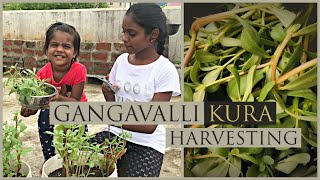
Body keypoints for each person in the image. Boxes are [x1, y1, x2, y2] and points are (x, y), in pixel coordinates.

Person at [91, 3, 181, 177]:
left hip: (146, 143)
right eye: (124, 32)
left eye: (132, 33)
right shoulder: (121, 61)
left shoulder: (164, 70)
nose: (125, 38)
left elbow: (149, 125)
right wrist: (109, 95)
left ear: (153, 35)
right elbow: (114, 106)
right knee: (74, 158)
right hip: (115, 134)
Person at [20, 22, 88, 162]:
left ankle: (72, 161)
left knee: (76, 136)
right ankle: (49, 159)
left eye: (66, 46)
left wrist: (59, 98)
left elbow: (75, 100)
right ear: (46, 50)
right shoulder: (42, 74)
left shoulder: (79, 70)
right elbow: (38, 102)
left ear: (75, 53)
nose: (59, 50)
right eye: (54, 45)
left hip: (76, 108)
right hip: (51, 108)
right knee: (44, 118)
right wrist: (29, 108)